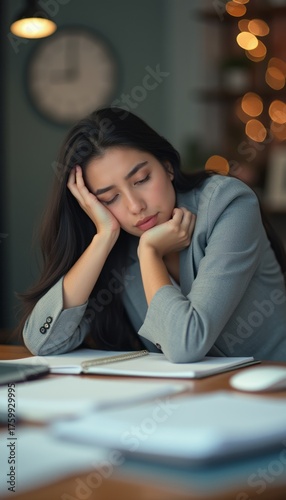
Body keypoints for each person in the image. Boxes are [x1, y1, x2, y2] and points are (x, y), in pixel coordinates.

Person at [17, 106, 286, 361]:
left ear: (167, 166)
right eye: (110, 198)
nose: (135, 206)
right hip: (189, 400)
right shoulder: (117, 242)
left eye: (142, 180)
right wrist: (102, 239)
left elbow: (185, 346)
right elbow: (42, 342)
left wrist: (149, 252)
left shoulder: (226, 203)